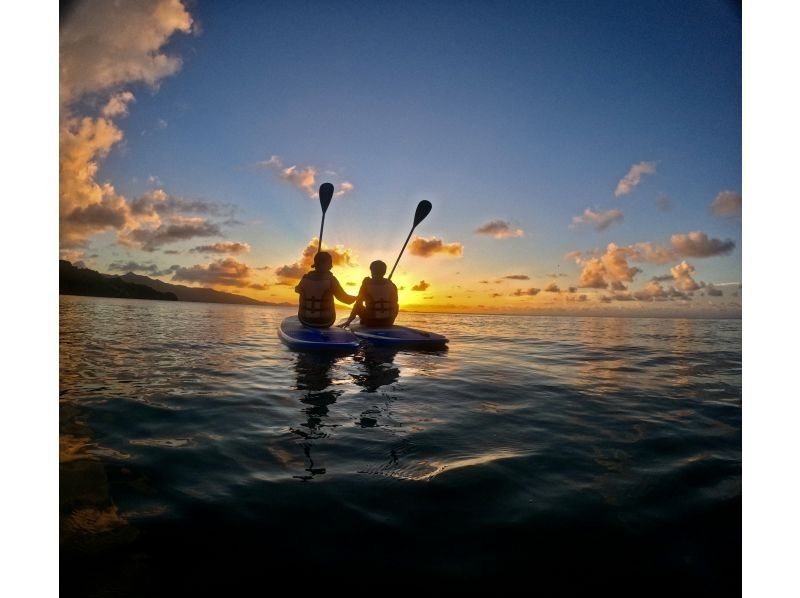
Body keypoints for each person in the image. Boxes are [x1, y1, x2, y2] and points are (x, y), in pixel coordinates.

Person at [295, 251, 357, 328]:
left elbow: (297, 289)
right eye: (330, 263)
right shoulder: (331, 280)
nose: (331, 266)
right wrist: (357, 297)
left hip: (304, 320)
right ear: (323, 264)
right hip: (325, 322)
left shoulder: (304, 278)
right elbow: (346, 300)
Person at [339, 260, 399, 328]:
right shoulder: (392, 285)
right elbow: (395, 305)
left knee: (359, 306)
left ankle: (363, 322)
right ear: (384, 272)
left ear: (371, 271)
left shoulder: (366, 284)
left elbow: (358, 304)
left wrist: (349, 321)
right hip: (388, 322)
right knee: (396, 304)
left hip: (370, 321)